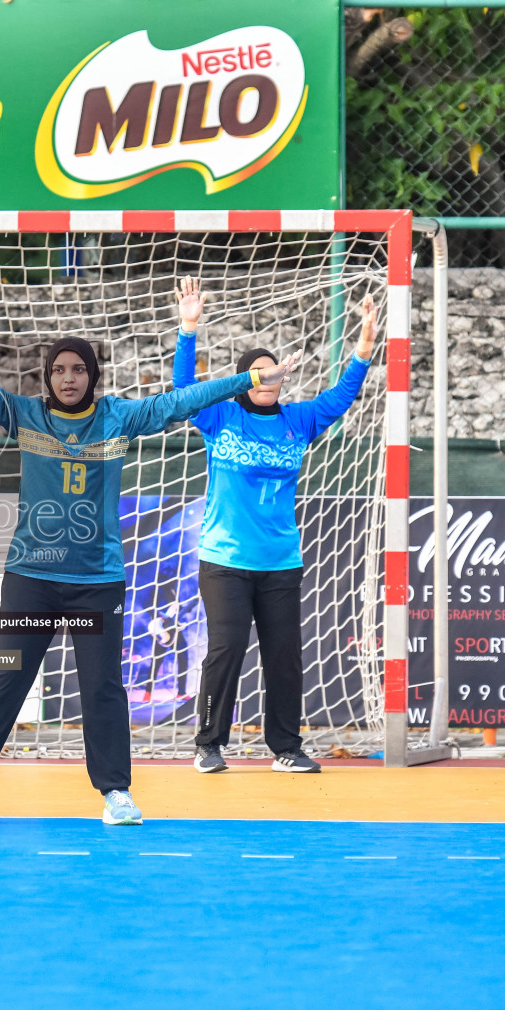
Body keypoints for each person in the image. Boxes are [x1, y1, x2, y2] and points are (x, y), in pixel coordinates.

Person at [0, 291, 301, 826]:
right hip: (32, 577)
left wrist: (248, 381)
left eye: (78, 370)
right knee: (7, 679)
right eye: (58, 370)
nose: (67, 378)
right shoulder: (22, 414)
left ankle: (115, 793)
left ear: (93, 376)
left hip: (97, 580)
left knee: (102, 688)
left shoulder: (117, 418)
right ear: (47, 377)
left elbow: (182, 402)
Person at [173, 278, 379, 776]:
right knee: (225, 650)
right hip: (224, 561)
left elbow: (340, 397)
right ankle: (208, 744)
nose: (269, 381)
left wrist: (364, 349)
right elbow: (182, 391)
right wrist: (188, 329)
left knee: (284, 656)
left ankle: (286, 748)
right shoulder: (220, 417)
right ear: (243, 379)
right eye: (258, 374)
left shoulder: (298, 421)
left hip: (281, 562)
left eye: (274, 374)